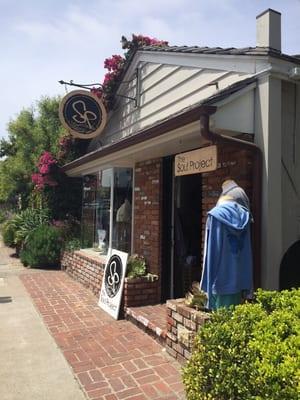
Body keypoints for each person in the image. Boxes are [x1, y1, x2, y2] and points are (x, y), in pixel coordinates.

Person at [200, 179, 253, 310]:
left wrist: (207, 283)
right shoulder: (245, 215)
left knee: (221, 322)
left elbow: (212, 252)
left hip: (221, 281)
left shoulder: (215, 216)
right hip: (240, 279)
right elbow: (247, 252)